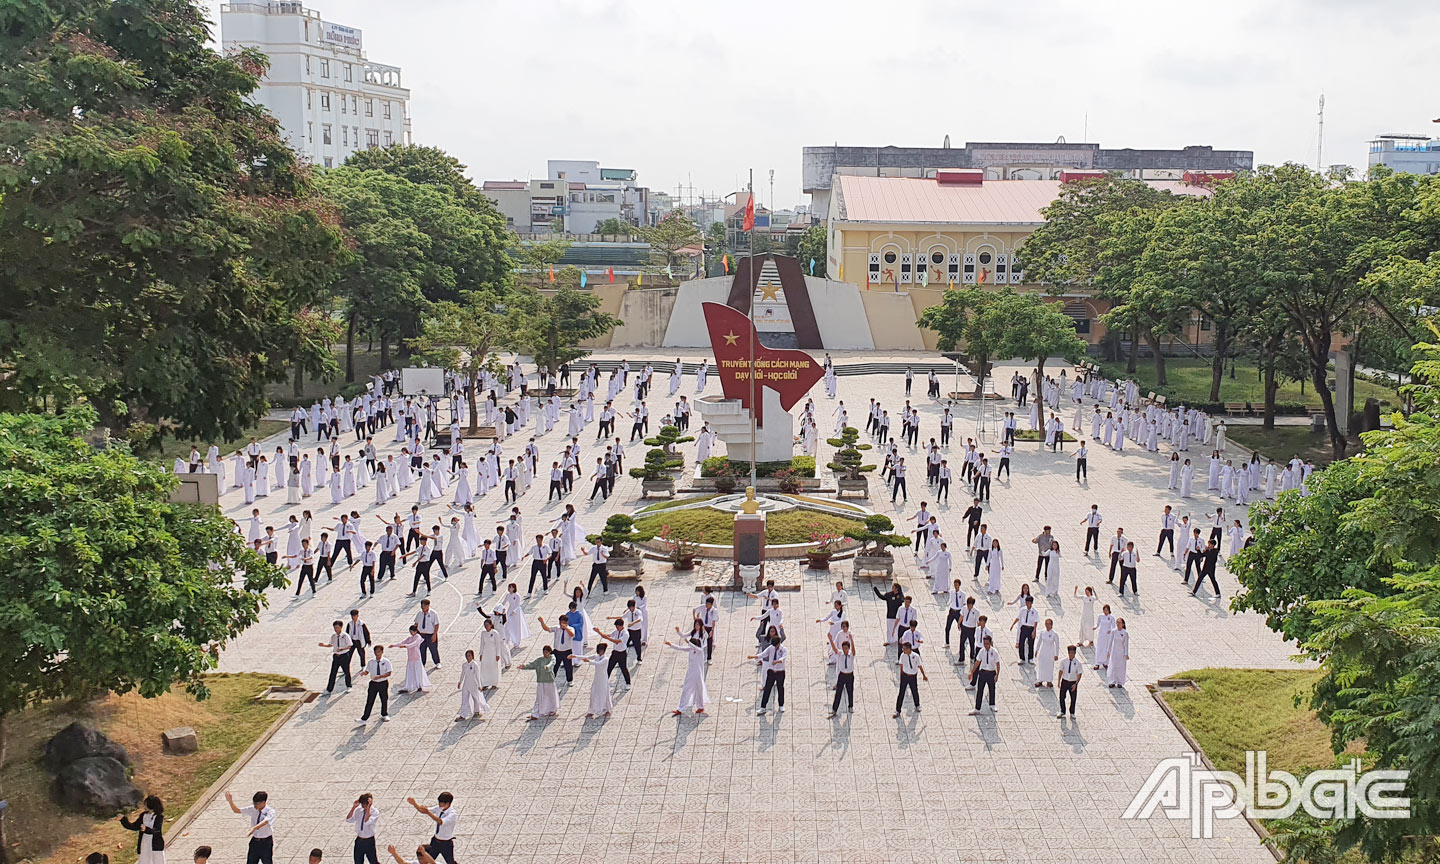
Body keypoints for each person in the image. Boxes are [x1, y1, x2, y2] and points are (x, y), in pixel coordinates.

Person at [664, 628, 710, 716]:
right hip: (691, 673)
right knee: (686, 689)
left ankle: (700, 706)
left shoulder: (700, 652)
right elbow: (680, 648)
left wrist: (688, 642)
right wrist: (671, 645)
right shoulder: (691, 650)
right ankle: (680, 708)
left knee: (699, 689)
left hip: (698, 674)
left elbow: (698, 648)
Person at [224, 790, 275, 864]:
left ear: (263, 802)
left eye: (257, 804)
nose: (255, 806)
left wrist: (254, 828)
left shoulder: (270, 811)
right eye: (254, 803)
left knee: (267, 861)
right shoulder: (253, 809)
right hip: (255, 841)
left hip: (266, 842)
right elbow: (237, 810)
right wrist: (230, 801)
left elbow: (265, 821)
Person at [406, 794, 457, 864]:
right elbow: (423, 810)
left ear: (447, 804)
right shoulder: (439, 808)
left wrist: (428, 813)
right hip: (435, 842)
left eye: (441, 803)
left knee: (450, 862)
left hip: (446, 843)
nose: (439, 804)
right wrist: (415, 804)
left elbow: (440, 821)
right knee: (426, 859)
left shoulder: (452, 814)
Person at [120, 795, 166, 864]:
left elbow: (156, 830)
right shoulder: (143, 815)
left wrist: (146, 829)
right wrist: (123, 820)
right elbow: (134, 826)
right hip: (144, 843)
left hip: (155, 845)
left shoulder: (159, 817)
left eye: (146, 804)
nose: (144, 806)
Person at [748, 635, 788, 715]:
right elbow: (763, 654)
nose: (775, 647)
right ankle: (763, 707)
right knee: (767, 689)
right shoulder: (771, 648)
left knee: (780, 688)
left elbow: (783, 658)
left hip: (780, 672)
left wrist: (777, 661)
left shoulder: (783, 649)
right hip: (771, 671)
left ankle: (781, 705)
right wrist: (754, 656)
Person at [520, 645, 560, 719]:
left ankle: (552, 709)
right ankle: (535, 713)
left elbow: (552, 663)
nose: (545, 654)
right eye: (544, 652)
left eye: (546, 652)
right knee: (539, 697)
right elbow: (532, 664)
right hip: (541, 681)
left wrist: (547, 667)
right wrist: (524, 666)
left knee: (551, 695)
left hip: (549, 680)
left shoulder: (552, 658)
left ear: (549, 652)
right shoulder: (540, 660)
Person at [576, 642, 616, 717]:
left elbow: (599, 663)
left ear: (603, 651)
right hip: (597, 678)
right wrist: (574, 656)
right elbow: (586, 656)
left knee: (604, 693)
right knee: (593, 693)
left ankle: (608, 709)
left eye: (600, 650)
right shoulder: (596, 656)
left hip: (603, 679)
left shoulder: (606, 659)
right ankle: (591, 711)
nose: (598, 652)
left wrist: (589, 661)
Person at [391, 626, 431, 694]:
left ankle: (419, 685)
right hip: (410, 658)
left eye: (412, 631)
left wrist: (405, 646)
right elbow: (403, 642)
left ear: (415, 631)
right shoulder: (410, 638)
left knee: (418, 672)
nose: (411, 633)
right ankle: (409, 686)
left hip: (416, 658)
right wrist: (395, 645)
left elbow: (413, 644)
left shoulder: (418, 637)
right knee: (410, 672)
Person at [357, 645, 392, 723]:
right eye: (376, 652)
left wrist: (380, 676)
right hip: (373, 683)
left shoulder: (386, 661)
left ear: (382, 652)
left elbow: (389, 673)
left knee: (384, 699)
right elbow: (367, 671)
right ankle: (364, 718)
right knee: (370, 700)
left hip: (383, 682)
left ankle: (384, 714)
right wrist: (364, 673)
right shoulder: (371, 662)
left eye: (379, 652)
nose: (377, 654)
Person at [892, 641, 927, 718]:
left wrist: (924, 675)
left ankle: (917, 705)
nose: (903, 650)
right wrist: (901, 675)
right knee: (901, 693)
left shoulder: (916, 656)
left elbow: (920, 666)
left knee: (914, 690)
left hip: (912, 676)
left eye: (904, 648)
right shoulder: (902, 655)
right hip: (905, 675)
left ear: (908, 649)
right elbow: (901, 664)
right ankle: (897, 710)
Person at [968, 634, 1000, 715]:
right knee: (980, 690)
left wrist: (997, 675)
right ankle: (977, 708)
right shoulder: (982, 651)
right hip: (983, 672)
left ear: (990, 643)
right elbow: (977, 662)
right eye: (984, 643)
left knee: (992, 689)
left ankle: (992, 704)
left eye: (987, 643)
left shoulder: (994, 652)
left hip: (991, 672)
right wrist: (972, 672)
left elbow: (998, 664)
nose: (986, 645)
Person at [320, 620, 354, 695]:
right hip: (336, 656)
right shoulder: (334, 636)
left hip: (344, 655)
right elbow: (331, 644)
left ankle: (349, 686)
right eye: (335, 627)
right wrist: (324, 645)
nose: (336, 629)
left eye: (337, 627)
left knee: (346, 671)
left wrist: (342, 649)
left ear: (341, 627)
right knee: (333, 672)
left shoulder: (345, 636)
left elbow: (350, 645)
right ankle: (329, 689)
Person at [455, 649, 488, 721]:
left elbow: (477, 676)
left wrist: (479, 685)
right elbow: (463, 674)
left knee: (475, 697)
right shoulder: (464, 665)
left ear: (472, 656)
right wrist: (460, 682)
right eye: (466, 656)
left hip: (474, 684)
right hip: (466, 684)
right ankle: (463, 715)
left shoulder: (475, 665)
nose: (468, 657)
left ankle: (477, 711)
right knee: (464, 699)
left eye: (469, 656)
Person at [346, 795, 380, 864]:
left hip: (369, 841)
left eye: (364, 805)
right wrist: (354, 807)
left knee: (373, 861)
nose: (362, 806)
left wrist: (368, 809)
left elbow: (367, 822)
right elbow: (349, 819)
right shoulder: (359, 810)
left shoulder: (375, 812)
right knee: (358, 861)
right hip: (359, 840)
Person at [829, 639, 856, 717]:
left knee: (850, 691)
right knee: (838, 692)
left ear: (848, 648)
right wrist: (830, 640)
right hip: (842, 675)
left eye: (846, 648)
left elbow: (854, 651)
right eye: (843, 648)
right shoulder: (840, 654)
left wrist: (852, 640)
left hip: (850, 675)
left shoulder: (851, 655)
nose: (845, 650)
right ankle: (834, 709)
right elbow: (835, 649)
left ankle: (850, 706)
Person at [1057, 645, 1083, 718]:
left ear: (1075, 653)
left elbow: (1079, 674)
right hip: (1065, 681)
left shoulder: (1078, 663)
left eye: (1072, 653)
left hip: (1073, 682)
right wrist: (1058, 681)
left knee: (1073, 698)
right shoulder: (1064, 661)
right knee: (1062, 697)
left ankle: (1072, 712)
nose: (1071, 654)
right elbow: (1060, 671)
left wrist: (1076, 684)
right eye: (1069, 652)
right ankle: (1062, 710)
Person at [1035, 619, 1060, 688]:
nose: (1047, 625)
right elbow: (1039, 641)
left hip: (1050, 652)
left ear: (1051, 625)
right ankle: (1040, 680)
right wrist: (1037, 650)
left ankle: (1049, 681)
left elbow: (1057, 645)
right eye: (1046, 623)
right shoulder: (1042, 632)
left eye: (1049, 624)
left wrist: (1056, 655)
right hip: (1043, 651)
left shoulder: (1054, 634)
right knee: (1041, 665)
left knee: (1049, 666)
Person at [1106, 618, 1130, 687]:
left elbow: (1126, 644)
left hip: (1121, 652)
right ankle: (1112, 681)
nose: (1118, 624)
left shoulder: (1125, 633)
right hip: (1114, 651)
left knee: (1121, 667)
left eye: (1119, 623)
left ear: (1123, 624)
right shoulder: (1114, 631)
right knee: (1113, 665)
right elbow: (1110, 641)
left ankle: (1120, 682)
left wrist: (1126, 654)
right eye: (1117, 623)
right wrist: (1108, 651)